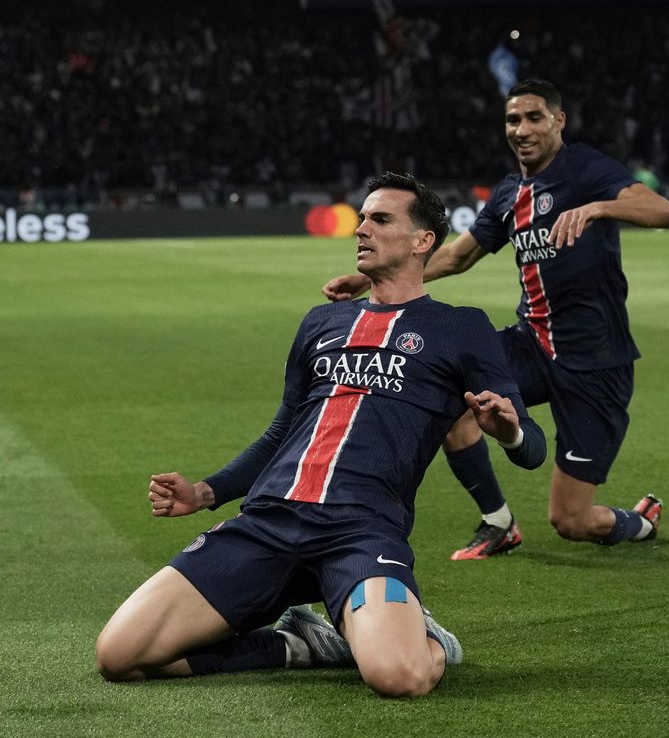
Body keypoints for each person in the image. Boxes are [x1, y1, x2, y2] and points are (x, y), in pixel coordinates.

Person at [95, 172, 547, 696]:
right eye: (361, 218)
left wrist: (509, 431)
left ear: (423, 240)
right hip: (269, 521)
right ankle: (295, 646)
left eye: (380, 219)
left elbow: (533, 449)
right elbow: (282, 433)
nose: (361, 229)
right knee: (120, 655)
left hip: (360, 531)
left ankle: (425, 636)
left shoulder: (461, 327)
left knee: (401, 677)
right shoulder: (321, 322)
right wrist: (204, 492)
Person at [324, 79, 669, 558]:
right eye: (513, 119)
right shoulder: (510, 193)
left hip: (596, 359)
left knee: (571, 520)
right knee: (451, 395)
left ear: (559, 121)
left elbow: (664, 210)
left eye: (535, 117)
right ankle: (498, 521)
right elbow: (457, 257)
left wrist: (599, 207)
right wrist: (367, 279)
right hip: (530, 344)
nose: (522, 128)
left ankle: (636, 523)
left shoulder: (586, 169)